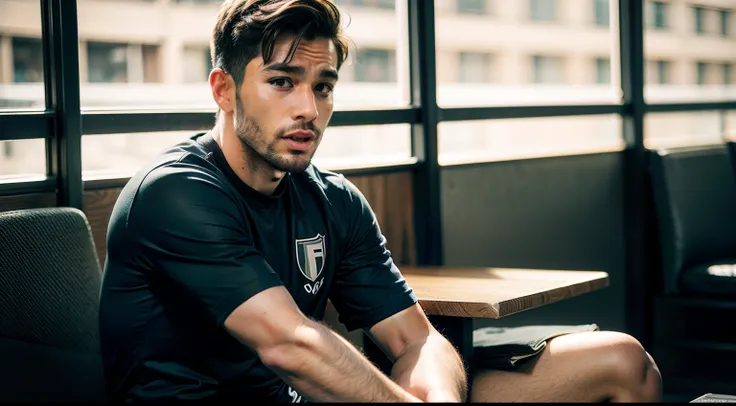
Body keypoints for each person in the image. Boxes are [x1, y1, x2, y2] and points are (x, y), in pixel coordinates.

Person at [98, 0, 663, 402]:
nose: (309, 109)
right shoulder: (175, 192)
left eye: (323, 86)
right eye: (282, 82)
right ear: (224, 90)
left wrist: (437, 396)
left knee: (621, 362)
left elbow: (415, 337)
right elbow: (291, 346)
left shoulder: (333, 199)